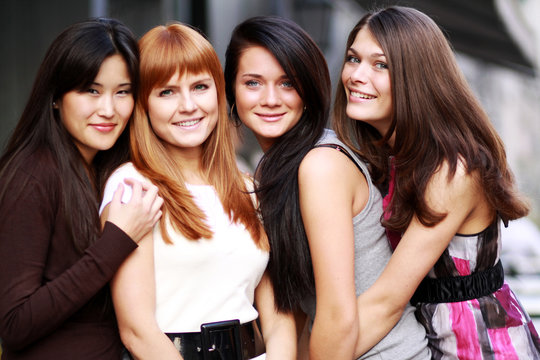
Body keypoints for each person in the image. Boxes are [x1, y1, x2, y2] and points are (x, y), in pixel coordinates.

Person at [333, 6, 540, 359]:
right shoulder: (386, 159)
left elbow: (386, 301)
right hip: (423, 342)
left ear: (416, 76)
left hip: (482, 348)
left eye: (380, 65)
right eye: (353, 59)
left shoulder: (452, 170)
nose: (357, 75)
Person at [224, 15, 430, 359]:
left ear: (309, 89)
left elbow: (337, 314)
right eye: (253, 83)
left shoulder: (321, 164)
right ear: (231, 89)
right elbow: (304, 312)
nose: (271, 99)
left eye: (287, 83)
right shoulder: (272, 170)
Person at [99, 22, 296, 360]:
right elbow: (137, 330)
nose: (188, 105)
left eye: (200, 86)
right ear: (143, 104)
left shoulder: (247, 186)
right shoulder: (133, 186)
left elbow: (277, 315)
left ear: (219, 93)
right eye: (167, 92)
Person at [0, 18, 163, 359]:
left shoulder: (109, 170)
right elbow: (13, 325)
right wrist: (116, 240)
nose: (108, 109)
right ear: (56, 96)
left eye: (123, 92)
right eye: (91, 90)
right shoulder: (31, 175)